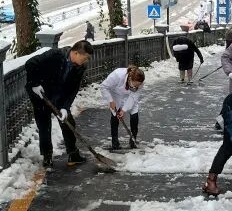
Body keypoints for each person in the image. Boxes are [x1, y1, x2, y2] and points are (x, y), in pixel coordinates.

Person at [25, 39, 94, 169]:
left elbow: (73, 89)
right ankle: (47, 156)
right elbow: (30, 63)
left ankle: (73, 154)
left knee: (68, 122)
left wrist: (64, 107)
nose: (86, 61)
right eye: (86, 58)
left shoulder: (80, 67)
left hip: (59, 96)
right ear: (76, 53)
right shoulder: (55, 55)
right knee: (44, 124)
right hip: (41, 93)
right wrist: (34, 84)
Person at [100, 65, 145, 150]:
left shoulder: (140, 83)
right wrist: (110, 100)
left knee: (134, 113)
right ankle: (115, 143)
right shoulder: (117, 75)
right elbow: (103, 87)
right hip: (116, 94)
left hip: (130, 96)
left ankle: (133, 141)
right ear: (130, 79)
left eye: (137, 85)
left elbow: (133, 97)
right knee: (115, 115)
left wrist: (124, 110)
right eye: (134, 84)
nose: (136, 87)